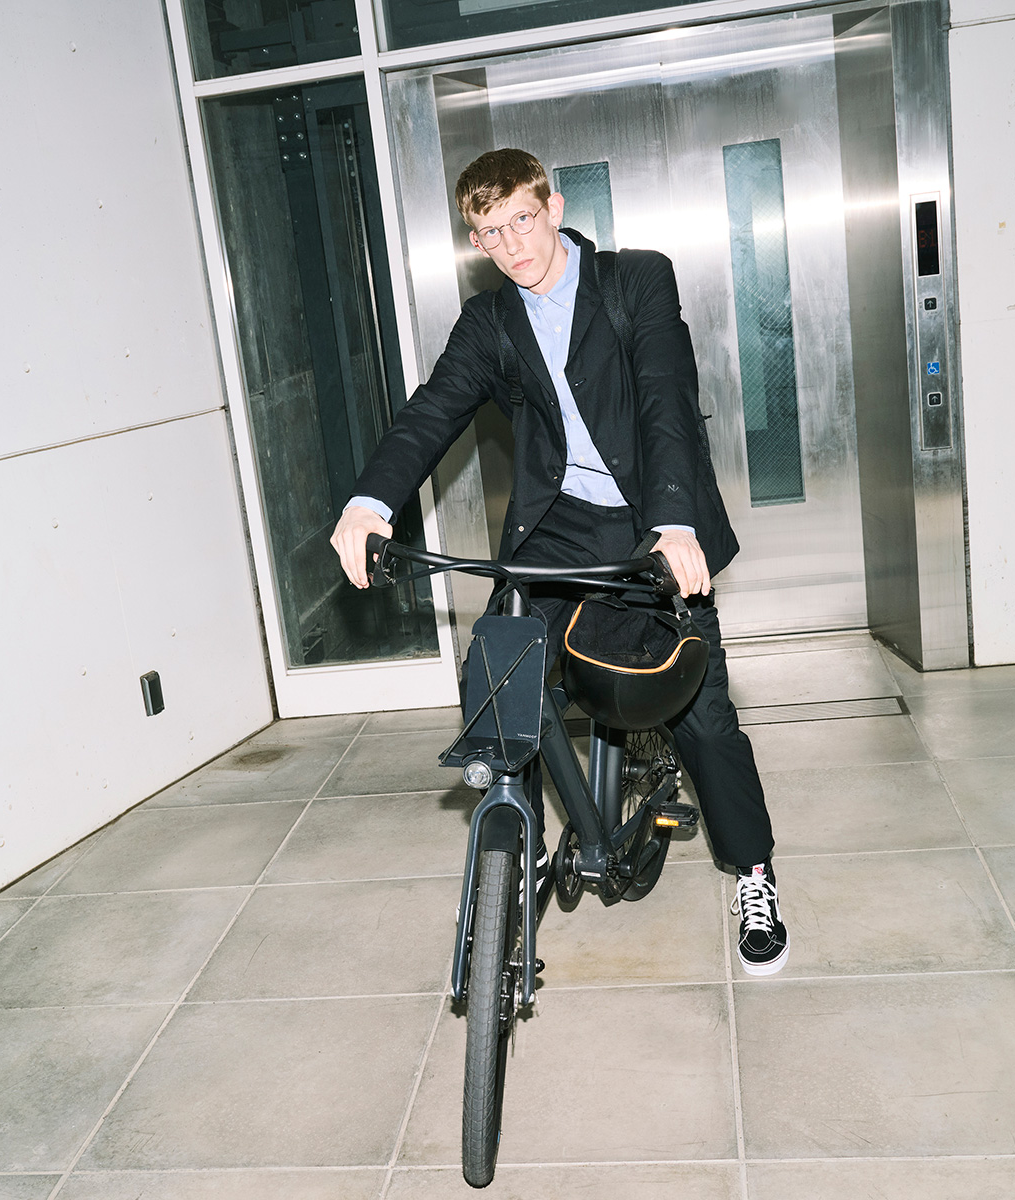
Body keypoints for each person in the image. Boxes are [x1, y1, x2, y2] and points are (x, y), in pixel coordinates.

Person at [331, 148, 788, 976]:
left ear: (554, 207)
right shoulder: (491, 322)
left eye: (522, 220)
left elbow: (666, 401)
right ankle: (519, 846)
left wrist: (675, 522)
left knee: (701, 711)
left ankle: (754, 873)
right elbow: (432, 410)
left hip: (649, 520)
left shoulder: (635, 280)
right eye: (490, 232)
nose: (511, 246)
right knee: (499, 673)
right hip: (558, 527)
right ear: (475, 240)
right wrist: (370, 503)